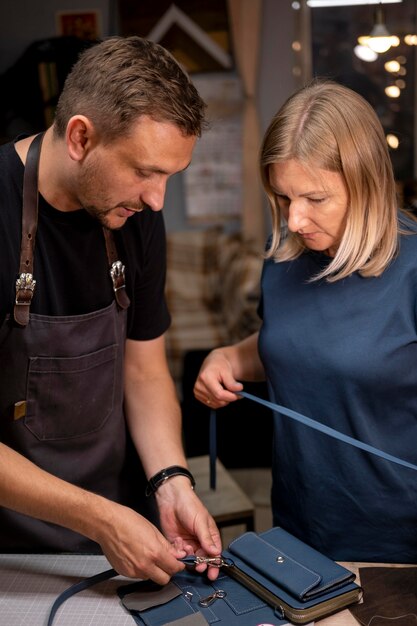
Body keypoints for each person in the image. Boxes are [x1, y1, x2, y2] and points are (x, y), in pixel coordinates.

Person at [0, 35, 222, 584]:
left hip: (122, 533)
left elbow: (145, 370)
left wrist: (171, 481)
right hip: (10, 550)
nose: (157, 199)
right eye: (145, 171)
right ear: (80, 136)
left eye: (170, 176)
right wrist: (99, 519)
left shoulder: (137, 216)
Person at [194, 79, 417, 564]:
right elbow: (295, 344)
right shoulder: (284, 261)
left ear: (367, 184)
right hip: (297, 532)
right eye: (283, 197)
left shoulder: (412, 271)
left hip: (397, 549)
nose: (294, 220)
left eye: (315, 199)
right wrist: (230, 356)